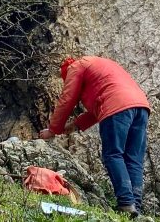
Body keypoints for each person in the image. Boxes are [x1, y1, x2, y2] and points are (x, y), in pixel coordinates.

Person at [39, 56, 151, 217]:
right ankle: (135, 209)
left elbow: (67, 99)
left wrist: (53, 129)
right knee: (133, 159)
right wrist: (74, 126)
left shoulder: (76, 66)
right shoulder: (101, 65)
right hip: (141, 107)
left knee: (113, 154)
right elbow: (97, 109)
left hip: (117, 105)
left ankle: (126, 203)